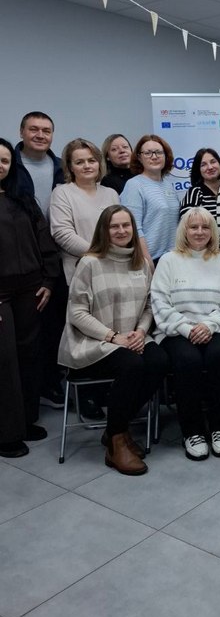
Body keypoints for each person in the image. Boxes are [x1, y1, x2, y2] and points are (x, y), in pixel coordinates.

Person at [58, 205, 167, 475]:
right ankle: (117, 439)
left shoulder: (141, 263)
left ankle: (114, 428)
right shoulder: (90, 263)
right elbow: (76, 313)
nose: (121, 231)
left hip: (132, 337)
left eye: (126, 225)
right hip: (93, 342)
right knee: (132, 366)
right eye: (114, 226)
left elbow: (149, 306)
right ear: (104, 231)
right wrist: (113, 337)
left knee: (160, 361)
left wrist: (140, 331)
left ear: (133, 229)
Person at [151, 208, 220, 460]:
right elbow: (159, 302)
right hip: (178, 330)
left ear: (213, 231)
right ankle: (192, 431)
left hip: (219, 327)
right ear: (184, 230)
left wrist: (209, 325)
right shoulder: (168, 260)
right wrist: (187, 328)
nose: (199, 232)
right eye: (193, 227)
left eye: (205, 227)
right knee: (187, 360)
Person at [0, 138, 58, 458]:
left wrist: (48, 280)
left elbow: (43, 240)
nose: (0, 165)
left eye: (4, 161)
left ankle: (25, 420)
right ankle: (6, 433)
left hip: (31, 289)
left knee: (29, 355)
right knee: (5, 359)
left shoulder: (23, 199)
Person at [14, 111, 66, 409]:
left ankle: (51, 381)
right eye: (33, 129)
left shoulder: (61, 167)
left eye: (46, 130)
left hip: (59, 254)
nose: (40, 135)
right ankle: (31, 390)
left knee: (56, 322)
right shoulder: (11, 166)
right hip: (25, 256)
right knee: (31, 329)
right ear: (21, 132)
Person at [50, 139, 119, 285]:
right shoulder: (62, 193)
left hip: (113, 269)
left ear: (99, 163)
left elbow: (120, 229)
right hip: (81, 274)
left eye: (91, 160)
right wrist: (101, 254)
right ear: (70, 167)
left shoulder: (111, 194)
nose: (87, 166)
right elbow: (62, 233)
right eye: (79, 162)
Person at [120, 135, 180, 269]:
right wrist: (147, 261)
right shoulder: (134, 185)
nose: (154, 156)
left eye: (159, 152)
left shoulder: (168, 184)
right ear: (139, 157)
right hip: (150, 260)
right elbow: (134, 228)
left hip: (173, 258)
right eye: (148, 153)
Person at [179, 148, 220, 221]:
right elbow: (186, 222)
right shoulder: (195, 192)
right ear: (198, 170)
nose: (210, 167)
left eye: (213, 162)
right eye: (203, 165)